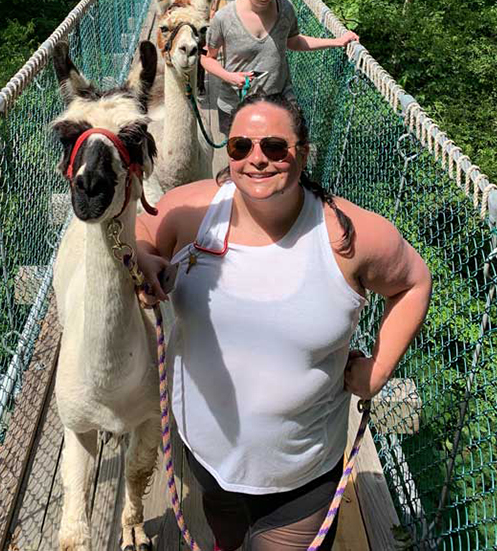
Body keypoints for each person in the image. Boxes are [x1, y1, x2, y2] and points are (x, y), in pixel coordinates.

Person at [135, 94, 432, 551]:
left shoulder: (346, 236)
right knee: (228, 538)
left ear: (304, 153)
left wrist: (378, 371)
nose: (257, 159)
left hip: (302, 475)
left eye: (275, 147)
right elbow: (144, 230)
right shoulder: (193, 212)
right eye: (240, 148)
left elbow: (413, 282)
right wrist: (145, 258)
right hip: (207, 457)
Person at [201, 0, 360, 136]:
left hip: (279, 102)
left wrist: (336, 42)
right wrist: (229, 77)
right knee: (243, 162)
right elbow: (206, 58)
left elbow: (294, 41)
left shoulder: (285, 8)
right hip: (236, 105)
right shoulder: (224, 18)